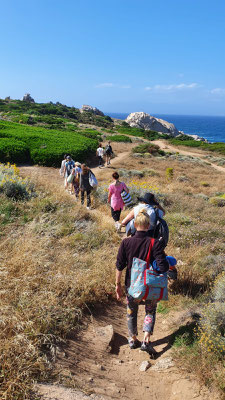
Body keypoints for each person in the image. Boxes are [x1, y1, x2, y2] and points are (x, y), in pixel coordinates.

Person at [116, 209, 169, 355]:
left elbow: (119, 265)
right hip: (150, 286)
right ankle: (146, 341)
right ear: (148, 226)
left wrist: (117, 285)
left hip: (131, 285)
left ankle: (133, 339)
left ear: (134, 224)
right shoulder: (155, 243)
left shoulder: (126, 242)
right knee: (150, 310)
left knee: (131, 311)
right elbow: (163, 266)